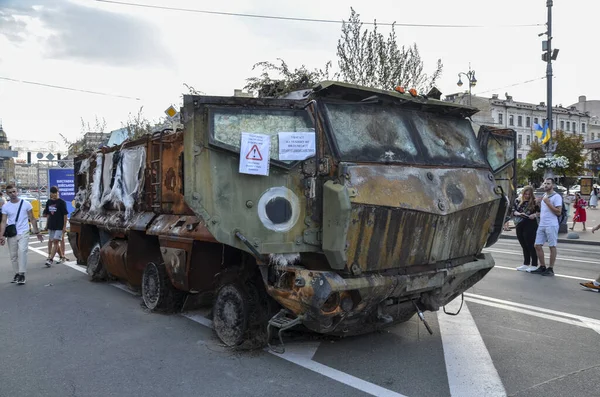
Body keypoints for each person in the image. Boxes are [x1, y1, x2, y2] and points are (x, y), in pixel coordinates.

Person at [0, 185, 44, 284]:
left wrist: (37, 232)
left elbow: (32, 218)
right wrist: (1, 235)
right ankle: (16, 273)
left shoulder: (26, 204)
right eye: (10, 192)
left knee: (23, 251)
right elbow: (3, 221)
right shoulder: (6, 206)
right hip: (12, 233)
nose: (13, 194)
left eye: (14, 191)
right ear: (7, 194)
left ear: (17, 192)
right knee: (13, 255)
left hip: (24, 231)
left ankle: (22, 274)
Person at [531, 178, 562, 276]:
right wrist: (540, 205)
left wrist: (548, 203)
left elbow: (558, 212)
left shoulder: (556, 197)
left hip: (551, 225)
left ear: (552, 185)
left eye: (548, 184)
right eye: (544, 183)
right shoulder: (544, 195)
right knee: (537, 245)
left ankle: (550, 268)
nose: (546, 185)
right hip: (542, 224)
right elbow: (544, 212)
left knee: (552, 246)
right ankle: (542, 266)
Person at [513, 186, 540, 272]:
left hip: (530, 224)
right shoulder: (518, 201)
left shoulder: (534, 202)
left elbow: (540, 212)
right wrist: (517, 213)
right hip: (519, 223)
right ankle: (526, 263)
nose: (527, 196)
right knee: (523, 244)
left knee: (531, 245)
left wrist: (534, 215)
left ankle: (534, 264)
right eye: (525, 194)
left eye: (529, 194)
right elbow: (513, 210)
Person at [43, 186, 68, 267]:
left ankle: (50, 259)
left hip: (59, 225)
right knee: (53, 241)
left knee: (56, 241)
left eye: (56, 193)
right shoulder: (48, 202)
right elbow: (48, 215)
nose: (54, 195)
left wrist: (64, 226)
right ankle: (62, 256)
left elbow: (65, 215)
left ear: (58, 192)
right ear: (50, 193)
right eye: (52, 193)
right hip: (51, 225)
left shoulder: (61, 202)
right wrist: (46, 225)